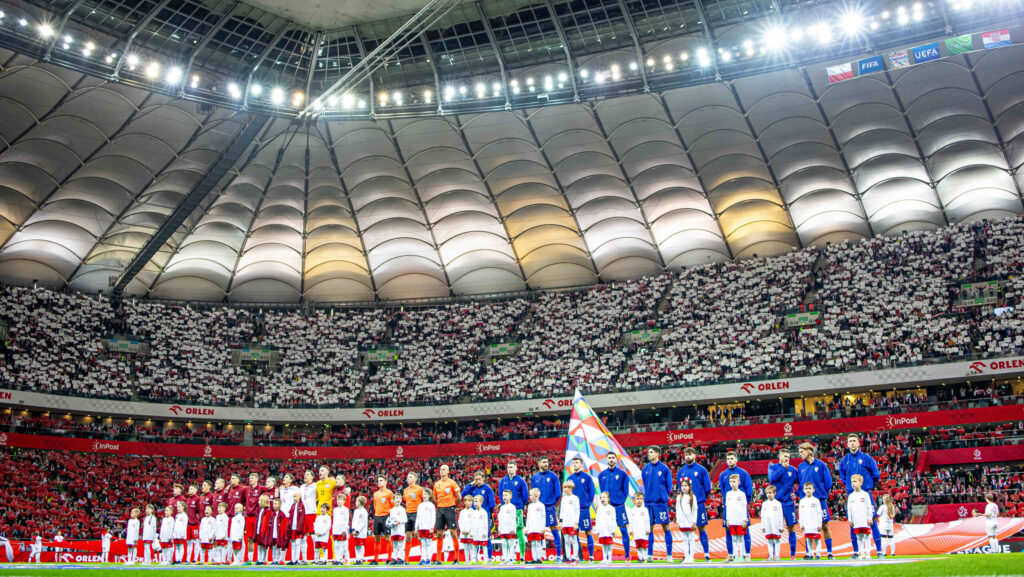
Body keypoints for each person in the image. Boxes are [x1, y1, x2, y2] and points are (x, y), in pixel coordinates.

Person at [838, 434, 882, 558]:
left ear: (859, 443)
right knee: (853, 522)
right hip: (851, 493)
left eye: (854, 441)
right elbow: (842, 475)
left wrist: (867, 485)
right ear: (847, 444)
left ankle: (879, 551)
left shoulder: (867, 459)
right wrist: (849, 484)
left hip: (866, 493)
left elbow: (876, 475)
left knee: (872, 520)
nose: (852, 443)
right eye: (850, 441)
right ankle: (856, 552)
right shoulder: (844, 460)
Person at [798, 442, 834, 559]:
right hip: (806, 502)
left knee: (825, 526)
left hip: (820, 500)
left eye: (802, 452)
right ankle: (809, 553)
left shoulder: (821, 465)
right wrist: (798, 495)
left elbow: (828, 482)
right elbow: (800, 484)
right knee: (807, 527)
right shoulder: (801, 467)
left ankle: (829, 553)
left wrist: (823, 495)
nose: (800, 454)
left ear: (809, 451)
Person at [676, 447, 712, 561]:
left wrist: (700, 499)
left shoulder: (701, 470)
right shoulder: (681, 471)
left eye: (690, 454)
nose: (687, 456)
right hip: (684, 504)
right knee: (685, 530)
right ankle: (687, 555)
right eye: (686, 454)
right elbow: (680, 487)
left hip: (698, 503)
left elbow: (707, 488)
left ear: (694, 456)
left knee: (701, 528)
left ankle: (706, 554)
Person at [716, 451, 752, 560]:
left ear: (736, 459)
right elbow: (723, 491)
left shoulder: (743, 473)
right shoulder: (722, 475)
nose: (730, 460)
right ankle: (731, 554)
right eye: (728, 459)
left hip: (741, 506)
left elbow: (749, 490)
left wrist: (744, 504)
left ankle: (747, 554)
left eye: (732, 458)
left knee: (745, 529)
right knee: (728, 529)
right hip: (729, 506)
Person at [640, 446, 672, 561]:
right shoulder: (645, 469)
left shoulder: (664, 469)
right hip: (648, 503)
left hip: (660, 503)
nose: (649, 454)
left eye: (651, 452)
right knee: (649, 528)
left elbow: (669, 487)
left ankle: (669, 555)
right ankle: (650, 554)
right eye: (648, 452)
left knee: (666, 527)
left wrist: (663, 496)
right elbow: (645, 484)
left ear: (657, 454)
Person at [767, 448, 800, 560]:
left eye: (788, 456)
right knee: (774, 529)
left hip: (788, 503)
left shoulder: (793, 470)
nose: (787, 458)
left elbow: (802, 481)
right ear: (780, 456)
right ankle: (773, 554)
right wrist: (782, 468)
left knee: (791, 528)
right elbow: (772, 479)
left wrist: (797, 493)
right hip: (775, 503)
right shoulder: (773, 467)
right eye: (785, 456)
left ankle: (793, 554)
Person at [597, 453, 631, 560]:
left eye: (613, 458)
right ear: (606, 460)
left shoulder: (622, 474)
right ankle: (606, 557)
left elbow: (625, 491)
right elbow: (603, 491)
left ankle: (627, 556)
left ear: (616, 460)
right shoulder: (601, 475)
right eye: (609, 458)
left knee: (624, 530)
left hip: (619, 507)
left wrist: (620, 501)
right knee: (606, 532)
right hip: (607, 508)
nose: (611, 460)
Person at [531, 456, 562, 561]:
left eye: (547, 462)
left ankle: (558, 555)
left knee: (554, 529)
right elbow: (533, 493)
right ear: (539, 464)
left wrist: (553, 504)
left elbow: (558, 494)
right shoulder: (535, 477)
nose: (546, 464)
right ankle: (539, 556)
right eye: (544, 462)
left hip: (549, 508)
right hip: (538, 509)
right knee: (539, 531)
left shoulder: (553, 476)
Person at [497, 461, 529, 561]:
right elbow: (500, 494)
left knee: (519, 532)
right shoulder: (503, 481)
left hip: (518, 510)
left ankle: (522, 556)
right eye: (508, 467)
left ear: (516, 468)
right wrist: (505, 505)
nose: (509, 469)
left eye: (511, 467)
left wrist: (519, 505)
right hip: (505, 510)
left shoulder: (520, 481)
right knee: (506, 533)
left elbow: (525, 496)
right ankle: (507, 558)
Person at [566, 456, 596, 562]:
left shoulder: (587, 478)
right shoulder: (569, 479)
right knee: (575, 534)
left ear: (581, 464)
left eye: (577, 462)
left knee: (588, 532)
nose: (575, 464)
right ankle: (580, 556)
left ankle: (591, 556)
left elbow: (592, 493)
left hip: (584, 509)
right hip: (573, 511)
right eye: (573, 463)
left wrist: (586, 503)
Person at [433, 464, 461, 564]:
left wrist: (453, 506)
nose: (442, 471)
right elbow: (434, 497)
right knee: (439, 534)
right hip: (440, 509)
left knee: (453, 533)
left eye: (444, 469)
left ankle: (456, 558)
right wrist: (439, 506)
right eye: (440, 469)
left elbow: (459, 497)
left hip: (450, 509)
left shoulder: (452, 483)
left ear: (448, 471)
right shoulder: (436, 484)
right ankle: (438, 559)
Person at [466, 470, 496, 562]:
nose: (478, 481)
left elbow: (492, 504)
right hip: (475, 515)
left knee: (486, 537)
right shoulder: (472, 488)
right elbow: (464, 495)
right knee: (475, 537)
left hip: (484, 516)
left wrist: (488, 513)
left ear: (483, 478)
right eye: (476, 479)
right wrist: (469, 485)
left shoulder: (487, 489)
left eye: (479, 479)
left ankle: (489, 558)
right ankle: (475, 558)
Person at [846, 475, 874, 560]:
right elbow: (849, 508)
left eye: (855, 481)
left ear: (861, 483)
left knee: (867, 536)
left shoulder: (865, 494)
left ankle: (868, 553)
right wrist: (850, 519)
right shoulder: (851, 496)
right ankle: (861, 553)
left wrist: (870, 518)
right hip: (856, 520)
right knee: (859, 537)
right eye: (852, 482)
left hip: (865, 520)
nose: (853, 484)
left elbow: (869, 507)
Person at [724, 474, 749, 562]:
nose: (732, 484)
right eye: (730, 482)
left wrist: (745, 519)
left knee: (741, 539)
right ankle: (735, 556)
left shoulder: (741, 494)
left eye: (734, 482)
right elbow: (727, 507)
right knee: (734, 539)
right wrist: (727, 519)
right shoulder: (728, 494)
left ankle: (742, 555)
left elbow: (744, 507)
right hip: (732, 520)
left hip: (740, 520)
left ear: (738, 482)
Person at [371, 474, 395, 565]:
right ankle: (375, 560)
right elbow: (375, 506)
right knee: (377, 538)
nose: (379, 482)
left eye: (381, 480)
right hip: (377, 517)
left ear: (385, 482)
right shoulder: (375, 494)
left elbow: (392, 507)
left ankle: (389, 559)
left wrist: (391, 518)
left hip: (386, 516)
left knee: (387, 537)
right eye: (378, 481)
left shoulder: (389, 493)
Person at [675, 478, 698, 563]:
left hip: (690, 521)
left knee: (691, 539)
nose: (684, 487)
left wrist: (694, 521)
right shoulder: (679, 498)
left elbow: (695, 509)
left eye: (686, 485)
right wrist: (678, 521)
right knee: (684, 539)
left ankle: (691, 556)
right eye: (682, 486)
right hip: (682, 522)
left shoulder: (692, 497)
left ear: (689, 487)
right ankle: (686, 556)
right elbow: (678, 509)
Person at [402, 472, 424, 563]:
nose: (408, 479)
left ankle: (423, 558)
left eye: (410, 477)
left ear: (415, 479)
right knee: (408, 537)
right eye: (408, 477)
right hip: (408, 514)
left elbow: (424, 500)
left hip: (417, 514)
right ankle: (406, 560)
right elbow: (404, 500)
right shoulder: (405, 490)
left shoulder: (420, 489)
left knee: (419, 537)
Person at [798, 482, 823, 560]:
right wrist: (801, 524)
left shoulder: (816, 501)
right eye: (806, 488)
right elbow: (800, 513)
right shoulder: (802, 501)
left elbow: (819, 513)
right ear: (803, 490)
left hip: (815, 524)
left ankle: (818, 554)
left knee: (817, 539)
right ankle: (810, 554)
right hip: (806, 524)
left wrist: (820, 524)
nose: (808, 490)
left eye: (809, 488)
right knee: (808, 539)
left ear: (813, 490)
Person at [760, 485, 784, 561]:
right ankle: (770, 555)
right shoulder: (764, 504)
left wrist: (781, 526)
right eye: (767, 493)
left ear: (774, 493)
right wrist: (763, 526)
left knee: (777, 541)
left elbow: (780, 515)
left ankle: (777, 555)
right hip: (768, 525)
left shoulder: (778, 504)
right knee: (769, 541)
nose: (769, 495)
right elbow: (762, 516)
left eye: (770, 493)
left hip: (776, 525)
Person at [244, 473, 265, 562]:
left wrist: (275, 489)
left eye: (252, 478)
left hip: (257, 516)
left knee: (260, 537)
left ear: (257, 479)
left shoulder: (261, 488)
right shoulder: (246, 489)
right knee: (250, 538)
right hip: (248, 516)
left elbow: (272, 488)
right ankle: (250, 559)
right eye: (249, 478)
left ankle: (261, 559)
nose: (250, 479)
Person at [558, 481, 580, 563]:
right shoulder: (564, 499)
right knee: (566, 540)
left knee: (574, 540)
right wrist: (561, 521)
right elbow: (562, 510)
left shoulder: (575, 498)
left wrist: (576, 522)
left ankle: (575, 557)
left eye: (566, 487)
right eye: (564, 487)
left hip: (572, 522)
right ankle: (568, 557)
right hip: (565, 523)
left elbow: (577, 511)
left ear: (570, 488)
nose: (564, 489)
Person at [415, 489, 437, 565]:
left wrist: (431, 527)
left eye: (426, 494)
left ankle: (429, 559)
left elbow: (433, 516)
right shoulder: (420, 505)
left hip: (428, 527)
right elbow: (418, 516)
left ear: (429, 495)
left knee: (429, 543)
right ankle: (423, 558)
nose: (424, 496)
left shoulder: (431, 505)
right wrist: (416, 527)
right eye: (424, 494)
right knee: (423, 544)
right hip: (421, 527)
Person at [525, 488, 546, 564]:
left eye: (531, 495)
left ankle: (539, 558)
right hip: (531, 528)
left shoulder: (541, 505)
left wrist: (543, 528)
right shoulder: (530, 506)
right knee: (533, 544)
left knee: (538, 543)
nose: (530, 497)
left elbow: (543, 517)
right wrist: (527, 528)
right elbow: (528, 517)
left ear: (536, 495)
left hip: (538, 528)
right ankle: (534, 558)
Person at [593, 492, 616, 564]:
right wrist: (597, 529)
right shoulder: (599, 509)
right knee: (603, 545)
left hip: (609, 530)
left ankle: (610, 558)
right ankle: (604, 558)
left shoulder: (611, 508)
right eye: (601, 497)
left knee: (609, 545)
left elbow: (613, 519)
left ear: (608, 499)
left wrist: (613, 529)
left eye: (604, 497)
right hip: (602, 530)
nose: (602, 499)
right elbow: (598, 519)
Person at [628, 492, 651, 563]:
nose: (639, 500)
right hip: (636, 532)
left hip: (644, 532)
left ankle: (645, 558)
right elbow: (631, 521)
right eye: (637, 499)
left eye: (641, 499)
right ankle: (640, 558)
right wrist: (630, 530)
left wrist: (648, 529)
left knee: (644, 546)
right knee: (638, 547)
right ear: (634, 500)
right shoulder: (632, 510)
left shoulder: (645, 510)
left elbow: (648, 520)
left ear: (643, 500)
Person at [497, 490, 518, 564]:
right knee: (504, 544)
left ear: (510, 496)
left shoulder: (512, 507)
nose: (504, 497)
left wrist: (513, 528)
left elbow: (513, 518)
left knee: (511, 544)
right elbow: (500, 519)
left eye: (506, 495)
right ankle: (505, 558)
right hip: (503, 529)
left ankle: (511, 558)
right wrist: (499, 529)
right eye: (503, 495)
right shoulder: (502, 507)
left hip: (510, 529)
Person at [387, 495, 408, 565]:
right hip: (394, 530)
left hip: (400, 530)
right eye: (396, 498)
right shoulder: (391, 510)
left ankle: (401, 559)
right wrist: (390, 524)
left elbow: (405, 520)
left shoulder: (402, 509)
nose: (398, 499)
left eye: (399, 498)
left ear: (401, 500)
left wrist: (399, 522)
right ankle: (395, 559)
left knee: (401, 545)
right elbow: (390, 520)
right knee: (395, 545)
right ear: (393, 500)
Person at [332, 491, 351, 566]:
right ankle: (337, 559)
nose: (339, 501)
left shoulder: (346, 509)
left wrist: (344, 529)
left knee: (343, 545)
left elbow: (346, 520)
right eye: (337, 499)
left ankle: (344, 559)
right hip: (335, 529)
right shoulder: (335, 510)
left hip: (342, 529)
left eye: (340, 499)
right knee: (336, 545)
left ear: (344, 501)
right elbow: (335, 520)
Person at [287, 492, 307, 565]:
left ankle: (297, 560)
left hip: (299, 528)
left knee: (298, 543)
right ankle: (293, 559)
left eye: (295, 496)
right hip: (292, 528)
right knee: (293, 544)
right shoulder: (293, 505)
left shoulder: (301, 506)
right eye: (293, 496)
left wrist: (301, 528)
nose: (294, 498)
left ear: (299, 497)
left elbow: (302, 518)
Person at [254, 494, 273, 564]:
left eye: (259, 501)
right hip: (259, 531)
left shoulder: (268, 511)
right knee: (259, 546)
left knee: (264, 546)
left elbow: (267, 523)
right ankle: (259, 559)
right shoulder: (260, 510)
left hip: (264, 531)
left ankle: (264, 559)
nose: (258, 502)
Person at [470, 495, 489, 564]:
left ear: (481, 502)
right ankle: (473, 559)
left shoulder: (484, 512)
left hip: (482, 532)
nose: (475, 503)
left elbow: (486, 523)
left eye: (476, 501)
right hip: (475, 532)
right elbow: (472, 523)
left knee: (484, 546)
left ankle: (485, 559)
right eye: (474, 502)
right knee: (474, 546)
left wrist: (485, 532)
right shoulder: (473, 512)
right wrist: (471, 532)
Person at [185, 484, 201, 563]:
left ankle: (195, 558)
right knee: (188, 542)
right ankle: (188, 559)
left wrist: (197, 522)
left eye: (191, 489)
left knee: (195, 541)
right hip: (188, 524)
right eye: (189, 489)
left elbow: (199, 512)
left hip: (194, 524)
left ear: (195, 490)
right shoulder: (188, 499)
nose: (189, 490)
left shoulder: (198, 499)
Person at [458, 495, 476, 564]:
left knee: (471, 547)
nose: (470, 502)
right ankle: (467, 561)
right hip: (463, 532)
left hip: (470, 532)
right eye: (468, 501)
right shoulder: (462, 512)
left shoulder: (473, 512)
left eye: (471, 501)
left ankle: (472, 560)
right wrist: (462, 530)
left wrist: (468, 531)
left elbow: (473, 523)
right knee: (465, 547)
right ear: (464, 502)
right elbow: (460, 522)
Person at [351, 495, 369, 565]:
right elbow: (354, 521)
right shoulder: (355, 511)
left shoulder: (364, 511)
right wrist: (353, 529)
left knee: (361, 546)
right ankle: (357, 559)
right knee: (356, 546)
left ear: (359, 502)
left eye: (356, 501)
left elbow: (364, 523)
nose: (355, 502)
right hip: (355, 532)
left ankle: (361, 559)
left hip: (361, 532)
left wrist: (358, 530)